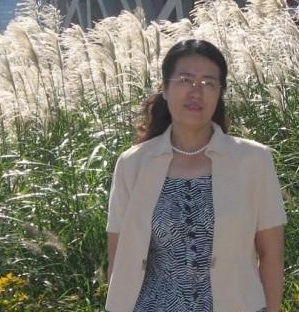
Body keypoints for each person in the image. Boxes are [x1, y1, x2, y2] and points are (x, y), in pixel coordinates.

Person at [105, 39, 287, 312]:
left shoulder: (253, 160)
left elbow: (271, 255)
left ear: (220, 93)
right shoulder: (133, 164)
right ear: (165, 88)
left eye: (208, 83)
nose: (196, 92)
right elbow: (119, 259)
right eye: (185, 80)